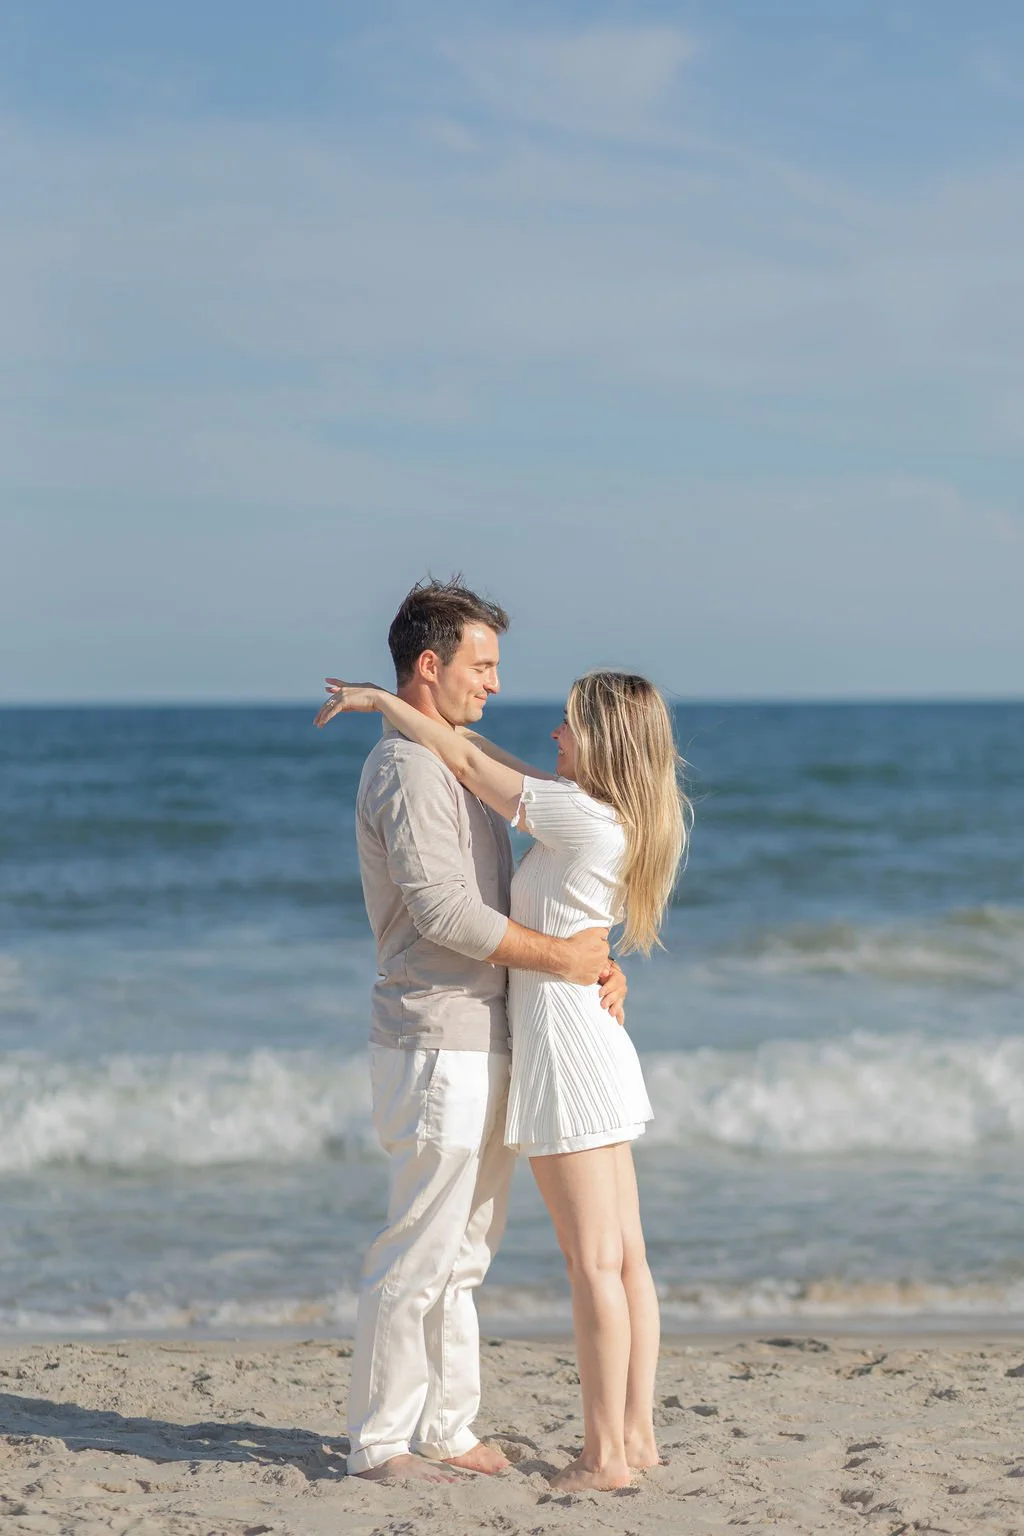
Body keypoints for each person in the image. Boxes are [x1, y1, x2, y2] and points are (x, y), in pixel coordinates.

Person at [319, 665, 690, 1493]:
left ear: (602, 742)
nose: (553, 735)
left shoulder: (575, 813)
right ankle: (636, 1436)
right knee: (626, 1259)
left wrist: (386, 705)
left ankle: (605, 1461)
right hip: (589, 1039)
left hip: (565, 1050)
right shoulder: (610, 818)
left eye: (567, 724)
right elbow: (477, 750)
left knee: (593, 1262)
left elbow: (467, 760)